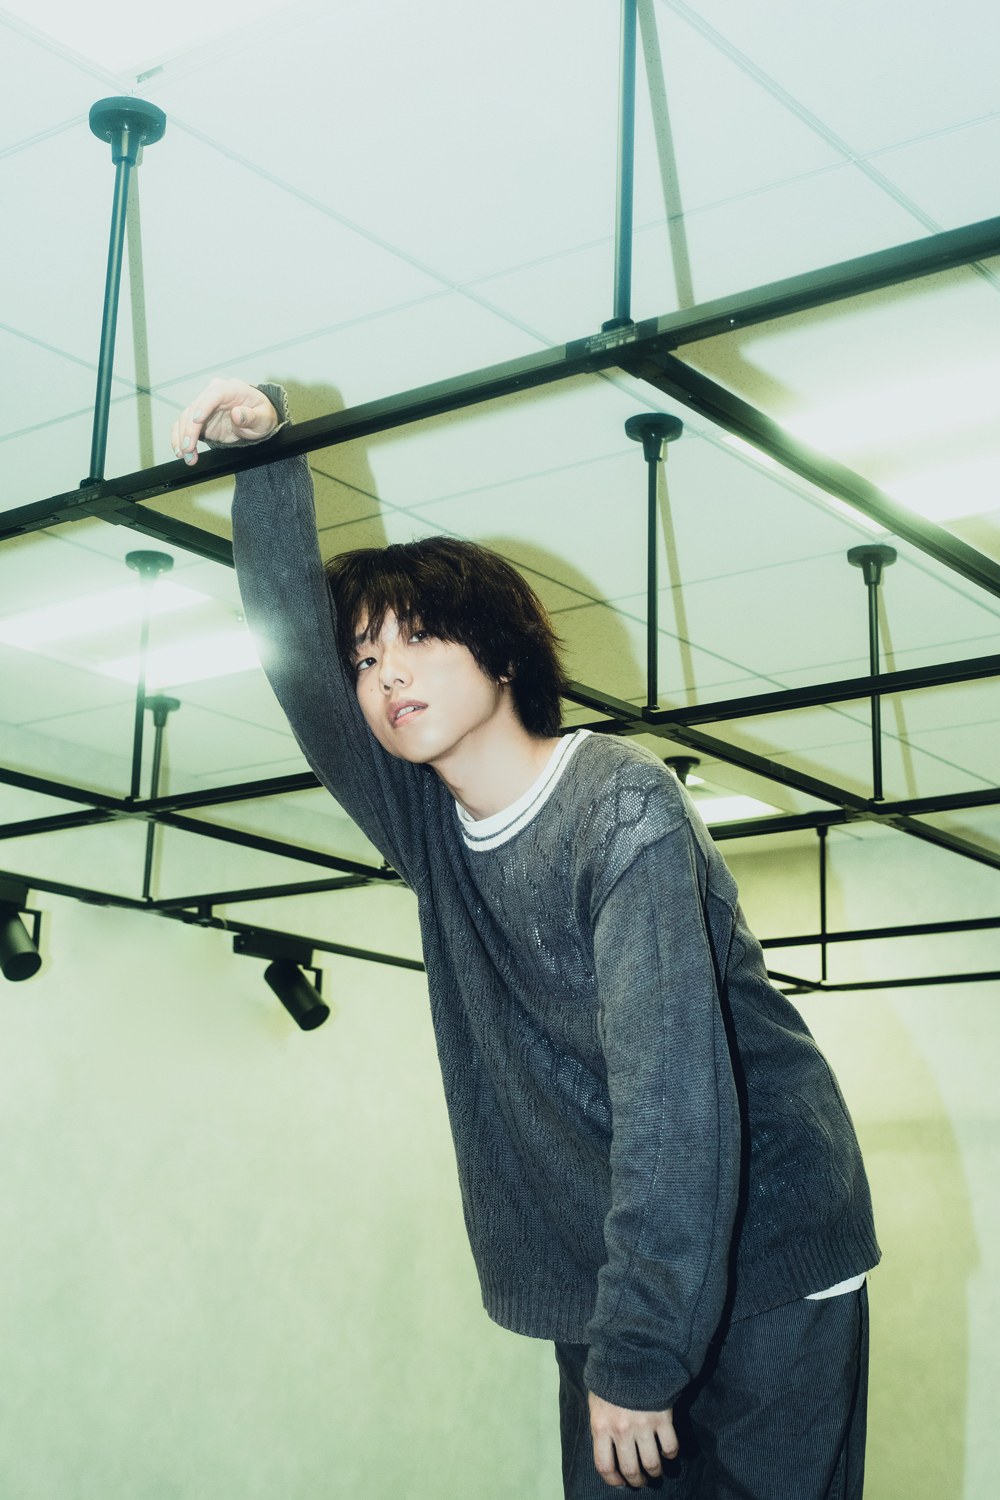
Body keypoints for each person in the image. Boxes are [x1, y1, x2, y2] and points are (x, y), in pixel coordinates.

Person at [171, 379, 879, 1498]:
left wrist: (636, 1354)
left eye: (417, 639)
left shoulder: (620, 807)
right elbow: (301, 670)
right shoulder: (427, 825)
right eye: (367, 658)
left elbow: (672, 1100)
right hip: (623, 1268)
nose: (386, 674)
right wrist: (267, 462)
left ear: (503, 656)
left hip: (770, 1244)